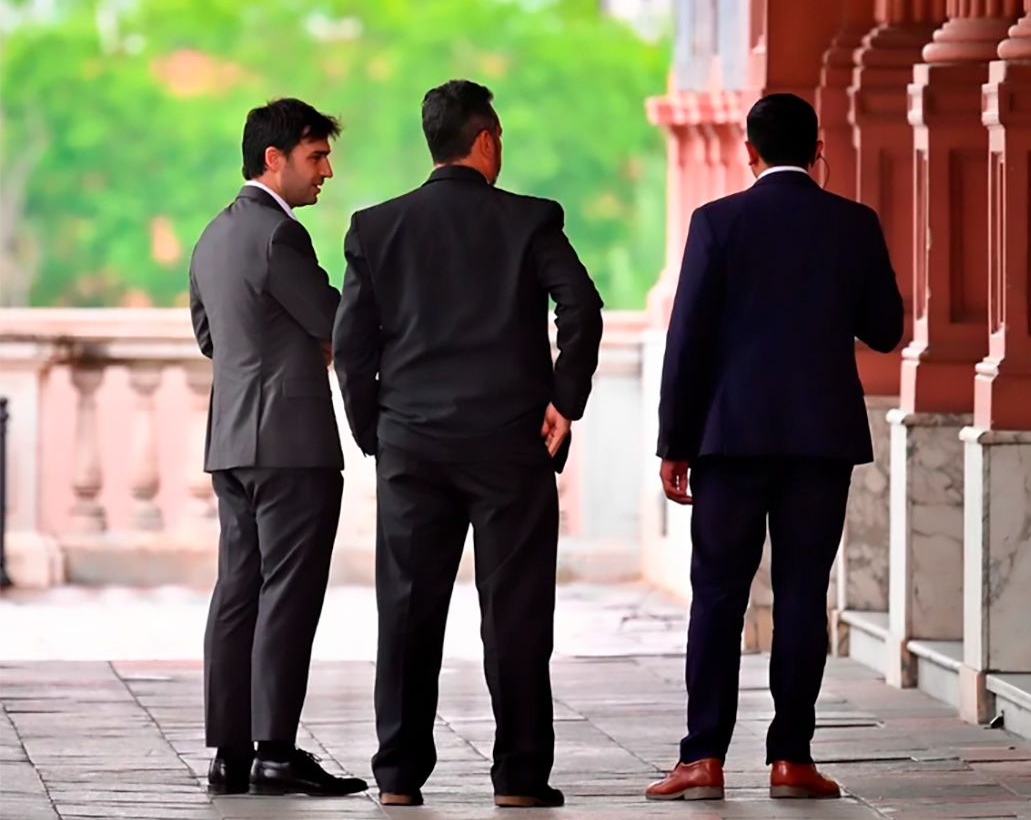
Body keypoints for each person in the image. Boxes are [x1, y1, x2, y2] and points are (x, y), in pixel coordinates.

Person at [333, 79, 603, 808]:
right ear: (485, 142)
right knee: (515, 614)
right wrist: (564, 401)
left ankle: (397, 778)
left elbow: (351, 347)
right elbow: (580, 306)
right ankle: (518, 779)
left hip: (411, 445)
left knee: (408, 610)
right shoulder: (528, 220)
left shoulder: (376, 227)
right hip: (510, 443)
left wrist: (376, 434)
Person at [645, 93, 904, 801]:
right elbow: (885, 329)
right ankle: (791, 757)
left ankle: (702, 758)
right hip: (820, 440)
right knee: (799, 594)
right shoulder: (852, 224)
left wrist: (675, 442)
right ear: (818, 151)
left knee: (719, 596)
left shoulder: (717, 223)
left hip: (729, 441)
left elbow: (687, 340)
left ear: (748, 149)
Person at [189, 97, 366, 797]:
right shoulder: (278, 236)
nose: (325, 172)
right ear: (275, 158)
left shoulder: (211, 236)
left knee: (238, 593)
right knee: (287, 595)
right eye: (315, 157)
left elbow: (212, 339)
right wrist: (313, 347)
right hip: (291, 443)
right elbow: (336, 322)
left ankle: (231, 755)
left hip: (230, 439)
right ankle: (275, 752)